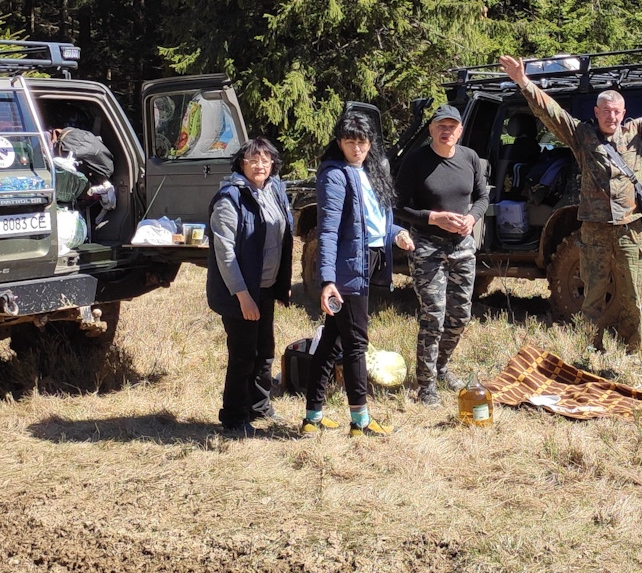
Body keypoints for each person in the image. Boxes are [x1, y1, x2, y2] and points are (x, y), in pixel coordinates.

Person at [496, 47, 642, 353]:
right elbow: (551, 113)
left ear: (623, 113)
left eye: (617, 111)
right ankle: (590, 349)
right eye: (606, 111)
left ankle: (632, 350)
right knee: (593, 294)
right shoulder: (582, 136)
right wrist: (524, 83)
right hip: (595, 230)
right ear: (596, 113)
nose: (612, 116)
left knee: (632, 294)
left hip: (631, 229)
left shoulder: (639, 134)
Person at [304, 111, 414, 437]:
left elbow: (372, 222)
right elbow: (328, 231)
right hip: (348, 269)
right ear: (339, 142)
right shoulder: (335, 175)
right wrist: (327, 281)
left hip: (365, 263)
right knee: (356, 345)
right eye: (350, 142)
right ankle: (360, 422)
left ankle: (312, 417)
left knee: (329, 343)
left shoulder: (368, 171)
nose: (357, 148)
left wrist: (395, 232)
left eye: (362, 142)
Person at [395, 104, 490, 405]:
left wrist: (472, 218)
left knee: (460, 315)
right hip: (427, 246)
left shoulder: (469, 158)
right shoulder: (416, 161)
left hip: (462, 246)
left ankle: (441, 366)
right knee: (433, 315)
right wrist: (432, 217)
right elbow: (397, 205)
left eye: (452, 126)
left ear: (460, 131)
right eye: (441, 126)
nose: (447, 131)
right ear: (431, 130)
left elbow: (483, 196)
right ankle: (426, 386)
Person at [205, 138, 293, 437]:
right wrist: (243, 296)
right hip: (239, 291)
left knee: (264, 351)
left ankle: (259, 406)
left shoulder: (274, 190)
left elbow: (284, 238)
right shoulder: (230, 198)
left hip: (265, 287)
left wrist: (282, 283)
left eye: (265, 160)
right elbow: (225, 252)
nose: (260, 165)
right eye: (253, 160)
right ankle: (234, 416)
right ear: (241, 164)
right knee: (243, 354)